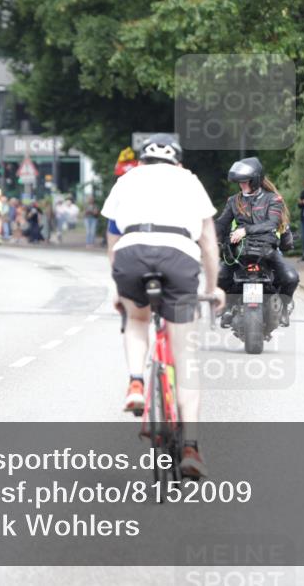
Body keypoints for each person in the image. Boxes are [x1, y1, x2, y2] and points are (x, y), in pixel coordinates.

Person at [102, 133, 225, 478]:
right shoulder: (190, 181)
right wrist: (213, 288)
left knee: (137, 320)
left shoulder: (127, 180)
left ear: (141, 161)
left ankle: (136, 382)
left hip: (131, 255)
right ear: (178, 162)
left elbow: (113, 238)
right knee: (185, 356)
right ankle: (191, 448)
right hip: (178, 257)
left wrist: (119, 288)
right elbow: (208, 242)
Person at [215, 157, 300, 327]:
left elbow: (272, 223)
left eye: (245, 181)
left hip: (267, 250)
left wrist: (245, 230)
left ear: (255, 180)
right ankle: (227, 307)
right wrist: (208, 235)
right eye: (240, 182)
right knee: (220, 277)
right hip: (240, 251)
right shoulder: (233, 201)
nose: (242, 185)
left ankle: (283, 307)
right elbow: (221, 224)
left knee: (291, 278)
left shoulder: (273, 199)